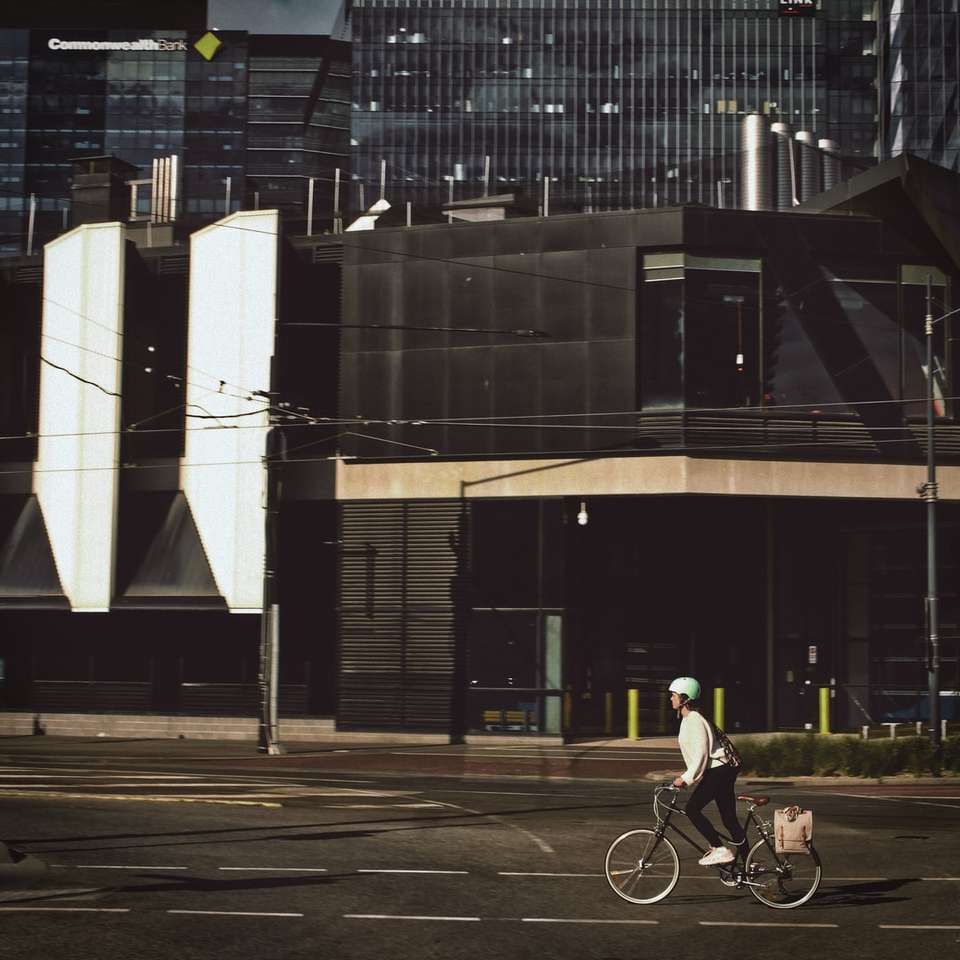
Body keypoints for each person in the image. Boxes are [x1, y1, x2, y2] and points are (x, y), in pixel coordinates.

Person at [668, 676, 745, 866]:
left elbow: (702, 754)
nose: (670, 698)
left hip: (718, 771)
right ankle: (748, 865)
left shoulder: (694, 719)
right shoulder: (689, 719)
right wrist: (688, 776)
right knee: (729, 820)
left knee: (692, 809)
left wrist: (686, 779)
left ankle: (719, 849)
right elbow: (698, 757)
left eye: (673, 695)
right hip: (721, 771)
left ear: (684, 698)